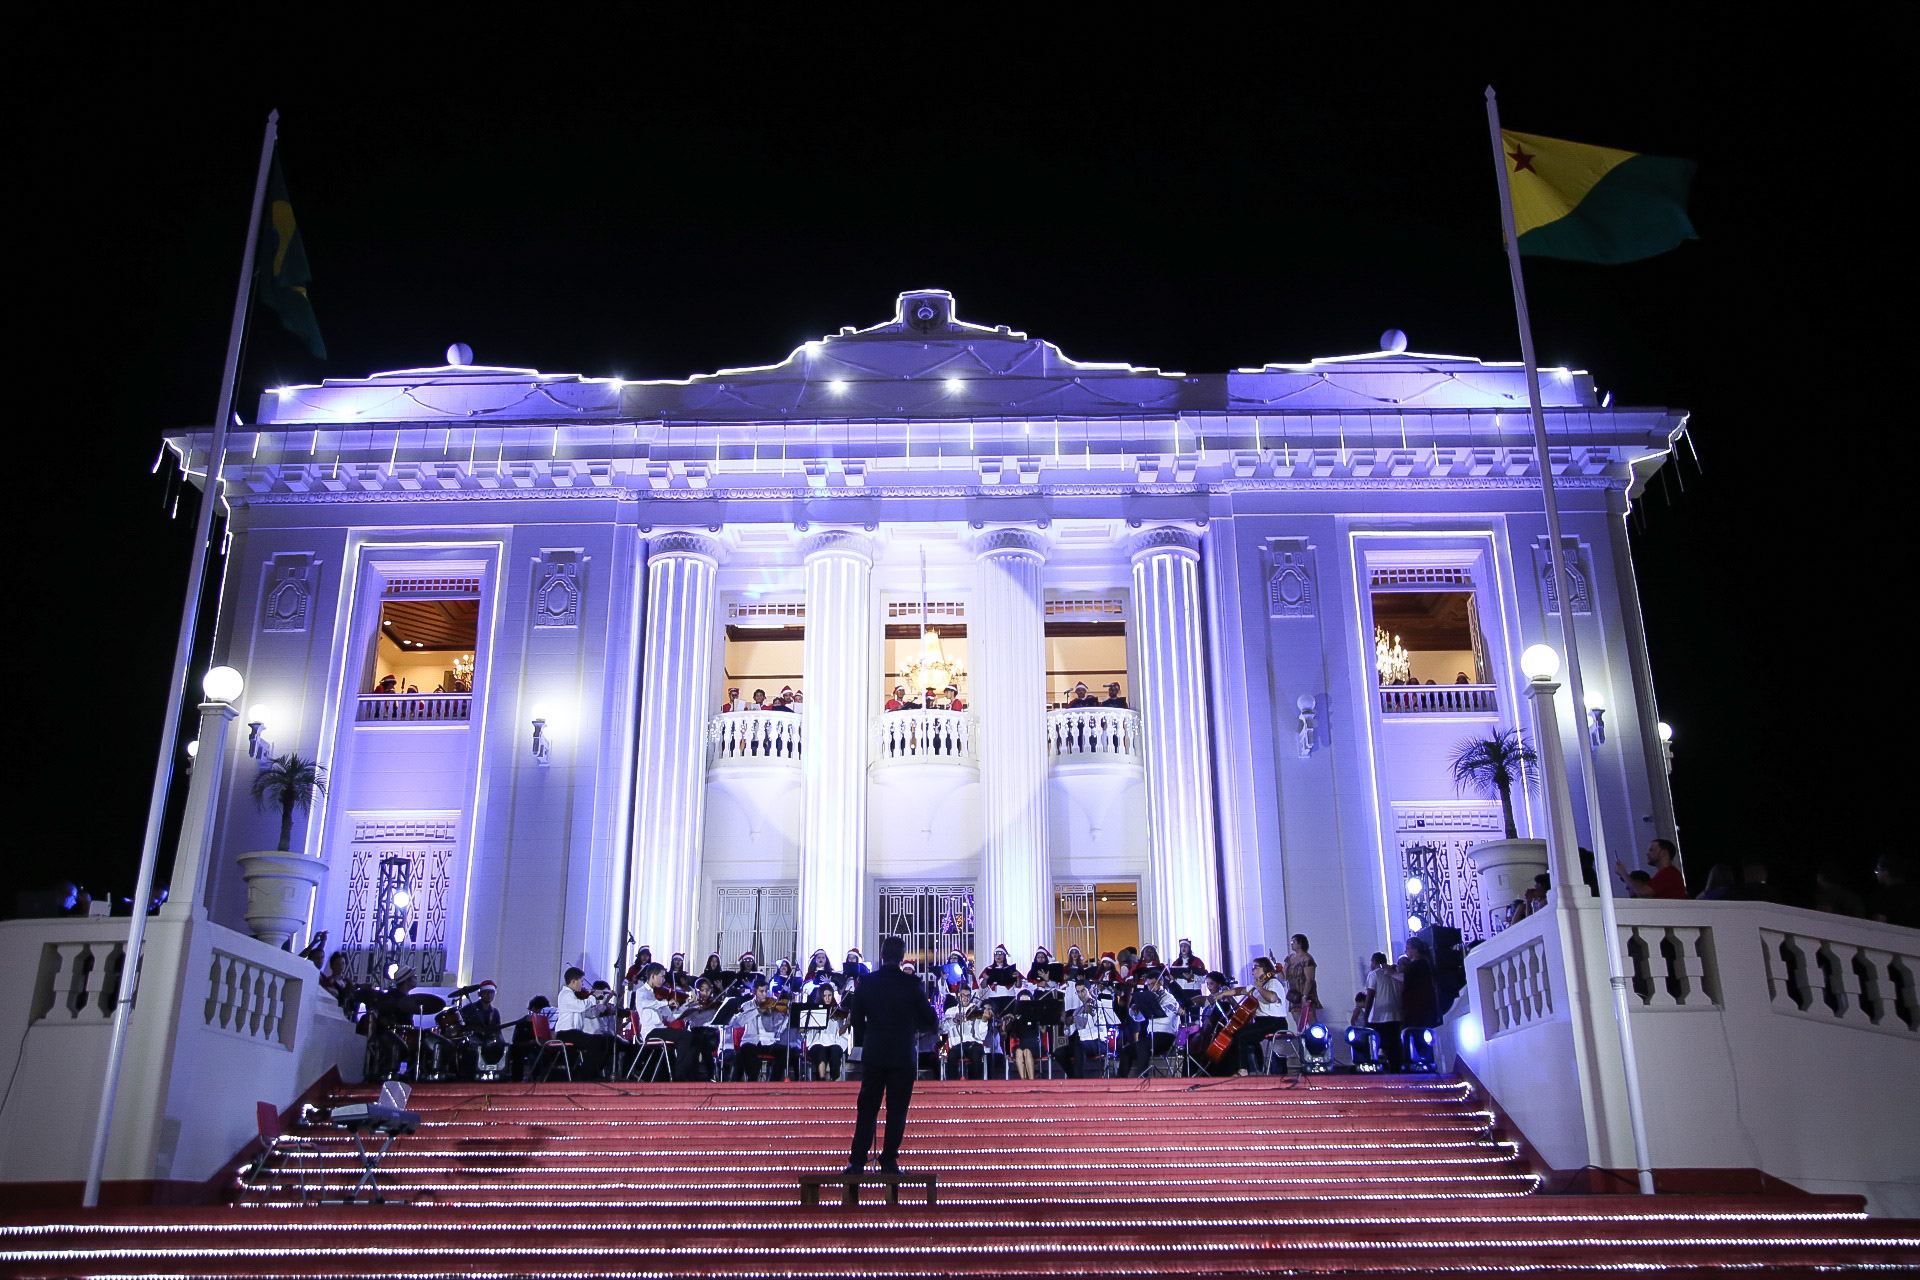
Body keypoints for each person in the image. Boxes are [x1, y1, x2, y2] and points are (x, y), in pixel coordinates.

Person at [844, 935, 939, 1176]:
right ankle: (888, 1160)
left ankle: (857, 1162)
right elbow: (931, 1020)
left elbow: (856, 1020)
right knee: (897, 1109)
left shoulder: (867, 982)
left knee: (867, 1107)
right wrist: (911, 1025)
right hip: (902, 1054)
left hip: (874, 1052)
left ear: (882, 955)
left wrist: (869, 1037)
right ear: (901, 957)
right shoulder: (911, 984)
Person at [1226, 956, 1289, 1076]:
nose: (1252, 971)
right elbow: (1242, 990)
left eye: (1255, 967)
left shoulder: (1273, 983)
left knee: (1241, 1034)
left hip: (1274, 1022)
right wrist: (1223, 993)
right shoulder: (1259, 985)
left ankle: (1243, 1070)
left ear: (1264, 969)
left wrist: (1259, 987)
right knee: (1243, 1035)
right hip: (1262, 1022)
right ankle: (1255, 1068)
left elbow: (1272, 998)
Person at [633, 963, 695, 1080]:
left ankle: (686, 1074)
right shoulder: (641, 992)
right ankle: (679, 1075)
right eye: (661, 976)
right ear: (652, 976)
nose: (663, 979)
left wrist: (686, 1004)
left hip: (661, 1029)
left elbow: (671, 1017)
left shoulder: (660, 995)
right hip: (651, 1032)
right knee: (685, 1036)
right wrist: (666, 1002)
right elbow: (647, 1004)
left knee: (690, 1037)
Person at [554, 968, 616, 1079]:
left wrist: (604, 1000)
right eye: (581, 981)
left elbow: (592, 1013)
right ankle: (585, 1074)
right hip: (565, 1033)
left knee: (605, 1041)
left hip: (574, 1033)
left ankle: (591, 1071)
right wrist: (593, 996)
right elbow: (581, 1006)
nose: (582, 984)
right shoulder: (565, 995)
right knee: (596, 1041)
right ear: (573, 981)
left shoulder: (576, 996)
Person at [731, 977, 788, 1082]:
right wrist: (757, 1011)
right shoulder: (747, 1005)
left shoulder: (772, 1005)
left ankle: (773, 1082)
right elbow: (738, 1022)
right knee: (750, 1058)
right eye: (761, 991)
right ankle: (752, 1083)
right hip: (750, 1041)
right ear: (754, 992)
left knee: (783, 1051)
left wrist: (785, 1017)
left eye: (766, 991)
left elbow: (779, 1028)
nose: (765, 994)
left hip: (768, 1042)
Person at [1399, 941, 1439, 1059]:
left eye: (1408, 949)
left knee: (1418, 1039)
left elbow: (1407, 979)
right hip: (1420, 1009)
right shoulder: (1423, 964)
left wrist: (1391, 974)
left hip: (1419, 1010)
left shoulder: (1419, 964)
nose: (1407, 952)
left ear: (1415, 950)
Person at [1364, 952, 1404, 1070]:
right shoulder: (1395, 975)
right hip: (1395, 1017)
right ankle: (1396, 1072)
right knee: (1394, 1048)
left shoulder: (1374, 975)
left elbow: (1370, 996)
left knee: (1374, 1046)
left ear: (1375, 962)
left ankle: (1375, 1071)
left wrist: (1366, 1016)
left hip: (1378, 1018)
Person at [803, 985, 852, 1080]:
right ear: (820, 996)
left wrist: (847, 1025)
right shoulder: (815, 1011)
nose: (827, 998)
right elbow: (806, 1031)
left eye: (830, 995)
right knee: (821, 1051)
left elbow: (839, 1033)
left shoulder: (837, 1011)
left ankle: (834, 1079)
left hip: (833, 1042)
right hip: (817, 1042)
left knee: (835, 1051)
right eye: (825, 996)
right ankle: (822, 1079)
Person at [943, 985, 990, 1078]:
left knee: (976, 1056)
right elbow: (943, 1029)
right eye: (963, 995)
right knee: (951, 1057)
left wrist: (984, 1021)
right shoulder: (950, 1011)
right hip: (957, 1045)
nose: (966, 998)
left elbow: (982, 1036)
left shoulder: (976, 1010)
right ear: (957, 996)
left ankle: (975, 1086)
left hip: (974, 1044)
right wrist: (954, 1020)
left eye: (968, 995)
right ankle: (952, 1087)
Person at [1617, 838, 1686, 899]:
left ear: (1664, 853)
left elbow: (1641, 891)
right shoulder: (1668, 873)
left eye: (1651, 850)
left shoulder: (1669, 873)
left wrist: (1623, 873)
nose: (1647, 854)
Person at [1282, 934, 1319, 1030]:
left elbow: (1309, 979)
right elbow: (1284, 977)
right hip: (1294, 994)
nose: (1291, 944)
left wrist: (1305, 995)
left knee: (1311, 1020)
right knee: (1298, 1022)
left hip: (1305, 992)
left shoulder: (1307, 959)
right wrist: (1277, 968)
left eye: (1293, 942)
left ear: (1300, 943)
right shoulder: (1289, 958)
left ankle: (1317, 1041)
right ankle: (1302, 1041)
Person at [1870, 854, 1916, 928]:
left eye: (1877, 870)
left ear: (1885, 872)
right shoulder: (1915, 894)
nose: (1876, 873)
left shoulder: (1885, 895)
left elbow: (1879, 924)